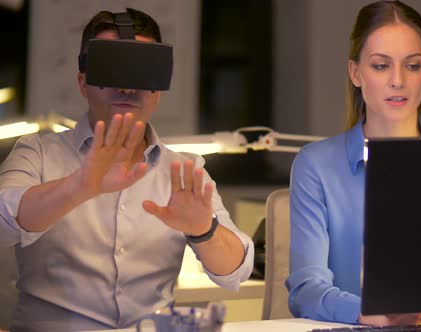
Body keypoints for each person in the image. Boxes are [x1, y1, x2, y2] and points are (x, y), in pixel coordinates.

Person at [0, 8, 253, 331]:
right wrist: (80, 186)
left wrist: (204, 229)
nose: (128, 87)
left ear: (158, 90)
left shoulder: (186, 170)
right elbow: (2, 223)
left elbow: (236, 271)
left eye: (141, 72)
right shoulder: (37, 153)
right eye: (113, 69)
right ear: (83, 82)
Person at [287, 0, 421, 327]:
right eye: (381, 66)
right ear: (356, 73)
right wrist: (378, 314)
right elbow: (306, 291)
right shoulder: (316, 165)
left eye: (412, 66)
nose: (398, 80)